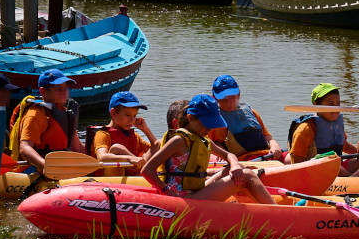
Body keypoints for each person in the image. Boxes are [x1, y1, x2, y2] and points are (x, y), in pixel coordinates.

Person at [142, 94, 274, 202]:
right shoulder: (179, 141)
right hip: (183, 198)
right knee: (247, 175)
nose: (209, 129)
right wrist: (166, 191)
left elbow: (229, 155)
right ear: (190, 118)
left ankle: (258, 207)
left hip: (197, 190)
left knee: (233, 170)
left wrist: (234, 165)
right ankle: (276, 211)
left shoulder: (203, 139)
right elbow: (147, 170)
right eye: (206, 124)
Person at [9, 69, 83, 174]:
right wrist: (47, 167)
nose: (64, 92)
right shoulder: (35, 114)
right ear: (43, 91)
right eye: (59, 89)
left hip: (60, 168)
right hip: (34, 171)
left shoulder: (65, 113)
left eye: (66, 88)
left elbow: (77, 148)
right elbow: (25, 148)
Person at [288, 82, 359, 176]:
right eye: (331, 104)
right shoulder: (305, 129)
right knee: (330, 162)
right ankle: (351, 180)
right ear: (316, 105)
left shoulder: (336, 124)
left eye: (338, 104)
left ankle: (354, 179)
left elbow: (344, 146)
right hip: (314, 171)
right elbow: (297, 161)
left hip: (336, 165)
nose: (336, 108)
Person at [209, 74, 283, 161]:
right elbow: (210, 144)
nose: (229, 103)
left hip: (267, 155)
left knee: (290, 157)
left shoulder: (251, 112)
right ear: (215, 98)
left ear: (239, 94)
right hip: (244, 161)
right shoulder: (214, 120)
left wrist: (274, 145)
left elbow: (268, 137)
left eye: (232, 97)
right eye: (224, 99)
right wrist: (225, 156)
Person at [91, 91, 158, 176]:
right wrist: (129, 159)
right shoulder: (103, 134)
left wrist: (146, 130)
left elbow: (157, 149)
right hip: (110, 182)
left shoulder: (134, 136)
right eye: (128, 115)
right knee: (117, 148)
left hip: (134, 178)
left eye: (134, 116)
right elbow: (102, 158)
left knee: (158, 144)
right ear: (113, 113)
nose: (132, 120)